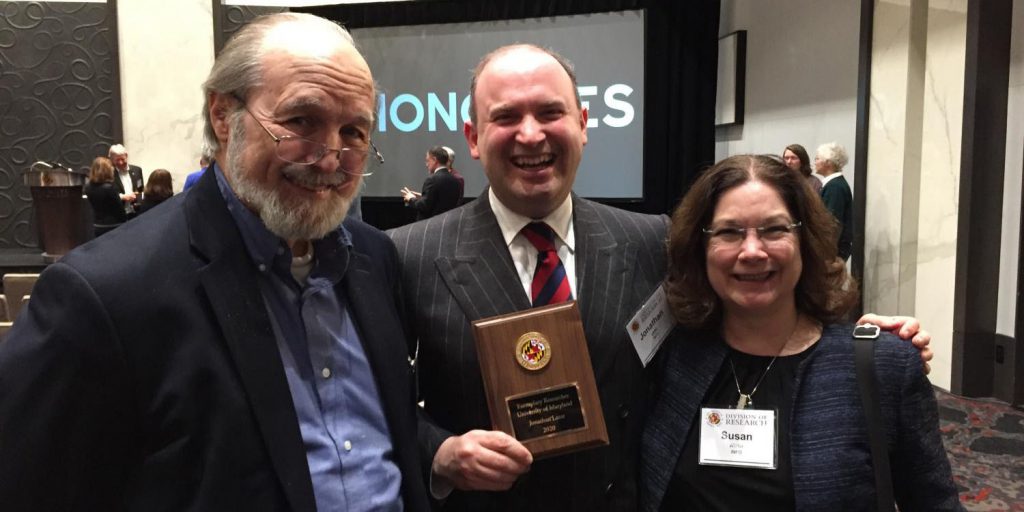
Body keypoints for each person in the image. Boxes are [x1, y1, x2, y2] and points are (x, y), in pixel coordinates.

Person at [388, 45, 930, 512]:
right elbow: (369, 405)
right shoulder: (408, 254)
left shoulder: (651, 240)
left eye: (550, 112)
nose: (531, 134)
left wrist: (864, 344)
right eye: (506, 116)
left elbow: (747, 305)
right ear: (474, 136)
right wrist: (437, 452)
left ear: (582, 123)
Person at [0, 12, 428, 511]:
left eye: (354, 132)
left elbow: (381, 431)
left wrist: (437, 451)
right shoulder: (101, 295)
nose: (331, 158)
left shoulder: (375, 260)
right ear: (224, 116)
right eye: (301, 121)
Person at [641, 154, 960, 511]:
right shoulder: (672, 354)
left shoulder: (880, 366)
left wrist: (884, 351)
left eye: (774, 229)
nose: (751, 251)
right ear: (701, 247)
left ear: (804, 239)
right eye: (729, 232)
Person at [815, 141, 854, 261]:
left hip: (832, 252)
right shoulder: (833, 184)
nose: (814, 163)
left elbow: (832, 222)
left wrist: (826, 253)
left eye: (817, 159)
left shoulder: (835, 187)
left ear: (828, 163)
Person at [400, 145, 462, 220]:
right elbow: (441, 200)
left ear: (434, 160)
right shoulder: (455, 180)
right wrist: (423, 196)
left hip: (429, 226)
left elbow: (424, 206)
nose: (426, 164)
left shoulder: (432, 180)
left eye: (427, 160)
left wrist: (411, 198)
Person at [84, 156, 127, 237]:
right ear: (107, 170)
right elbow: (119, 209)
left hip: (98, 225)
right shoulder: (109, 188)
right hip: (113, 225)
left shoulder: (88, 187)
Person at [108, 143, 145, 217]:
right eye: (117, 160)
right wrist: (123, 197)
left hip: (136, 213)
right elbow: (108, 196)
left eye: (122, 159)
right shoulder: (109, 174)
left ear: (126, 156)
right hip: (118, 214)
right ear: (112, 160)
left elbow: (140, 188)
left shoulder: (137, 170)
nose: (120, 162)